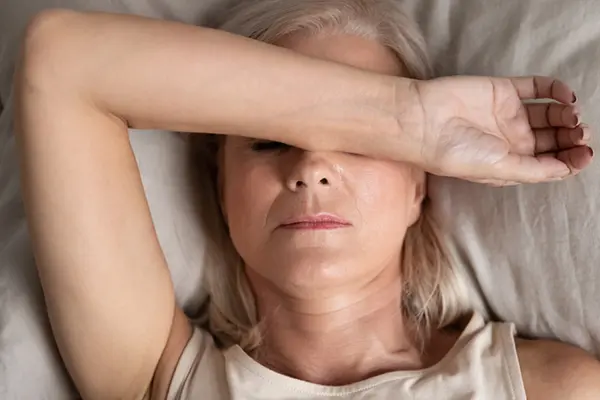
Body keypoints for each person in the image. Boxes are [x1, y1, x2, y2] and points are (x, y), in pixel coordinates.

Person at [13, 0, 597, 399]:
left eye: (361, 144)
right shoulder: (159, 378)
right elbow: (60, 60)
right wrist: (401, 116)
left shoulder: (550, 389)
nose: (312, 168)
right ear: (220, 183)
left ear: (419, 183)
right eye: (268, 143)